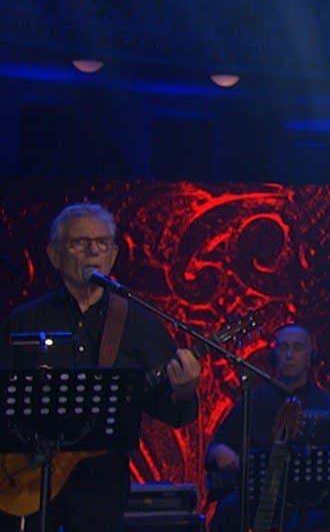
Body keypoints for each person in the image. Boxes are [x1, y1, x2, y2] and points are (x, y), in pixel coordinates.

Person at [0, 202, 203, 532]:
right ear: (54, 254)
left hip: (100, 484)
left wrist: (183, 390)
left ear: (113, 255)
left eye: (102, 243)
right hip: (27, 475)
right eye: (79, 242)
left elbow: (171, 410)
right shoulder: (24, 320)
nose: (93, 251)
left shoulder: (138, 322)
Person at [206, 323, 330, 532]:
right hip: (258, 496)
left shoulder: (326, 404)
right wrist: (220, 451)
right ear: (274, 356)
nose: (289, 355)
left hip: (310, 501)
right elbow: (218, 444)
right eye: (283, 348)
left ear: (310, 357)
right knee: (228, 509)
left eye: (297, 348)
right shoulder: (255, 399)